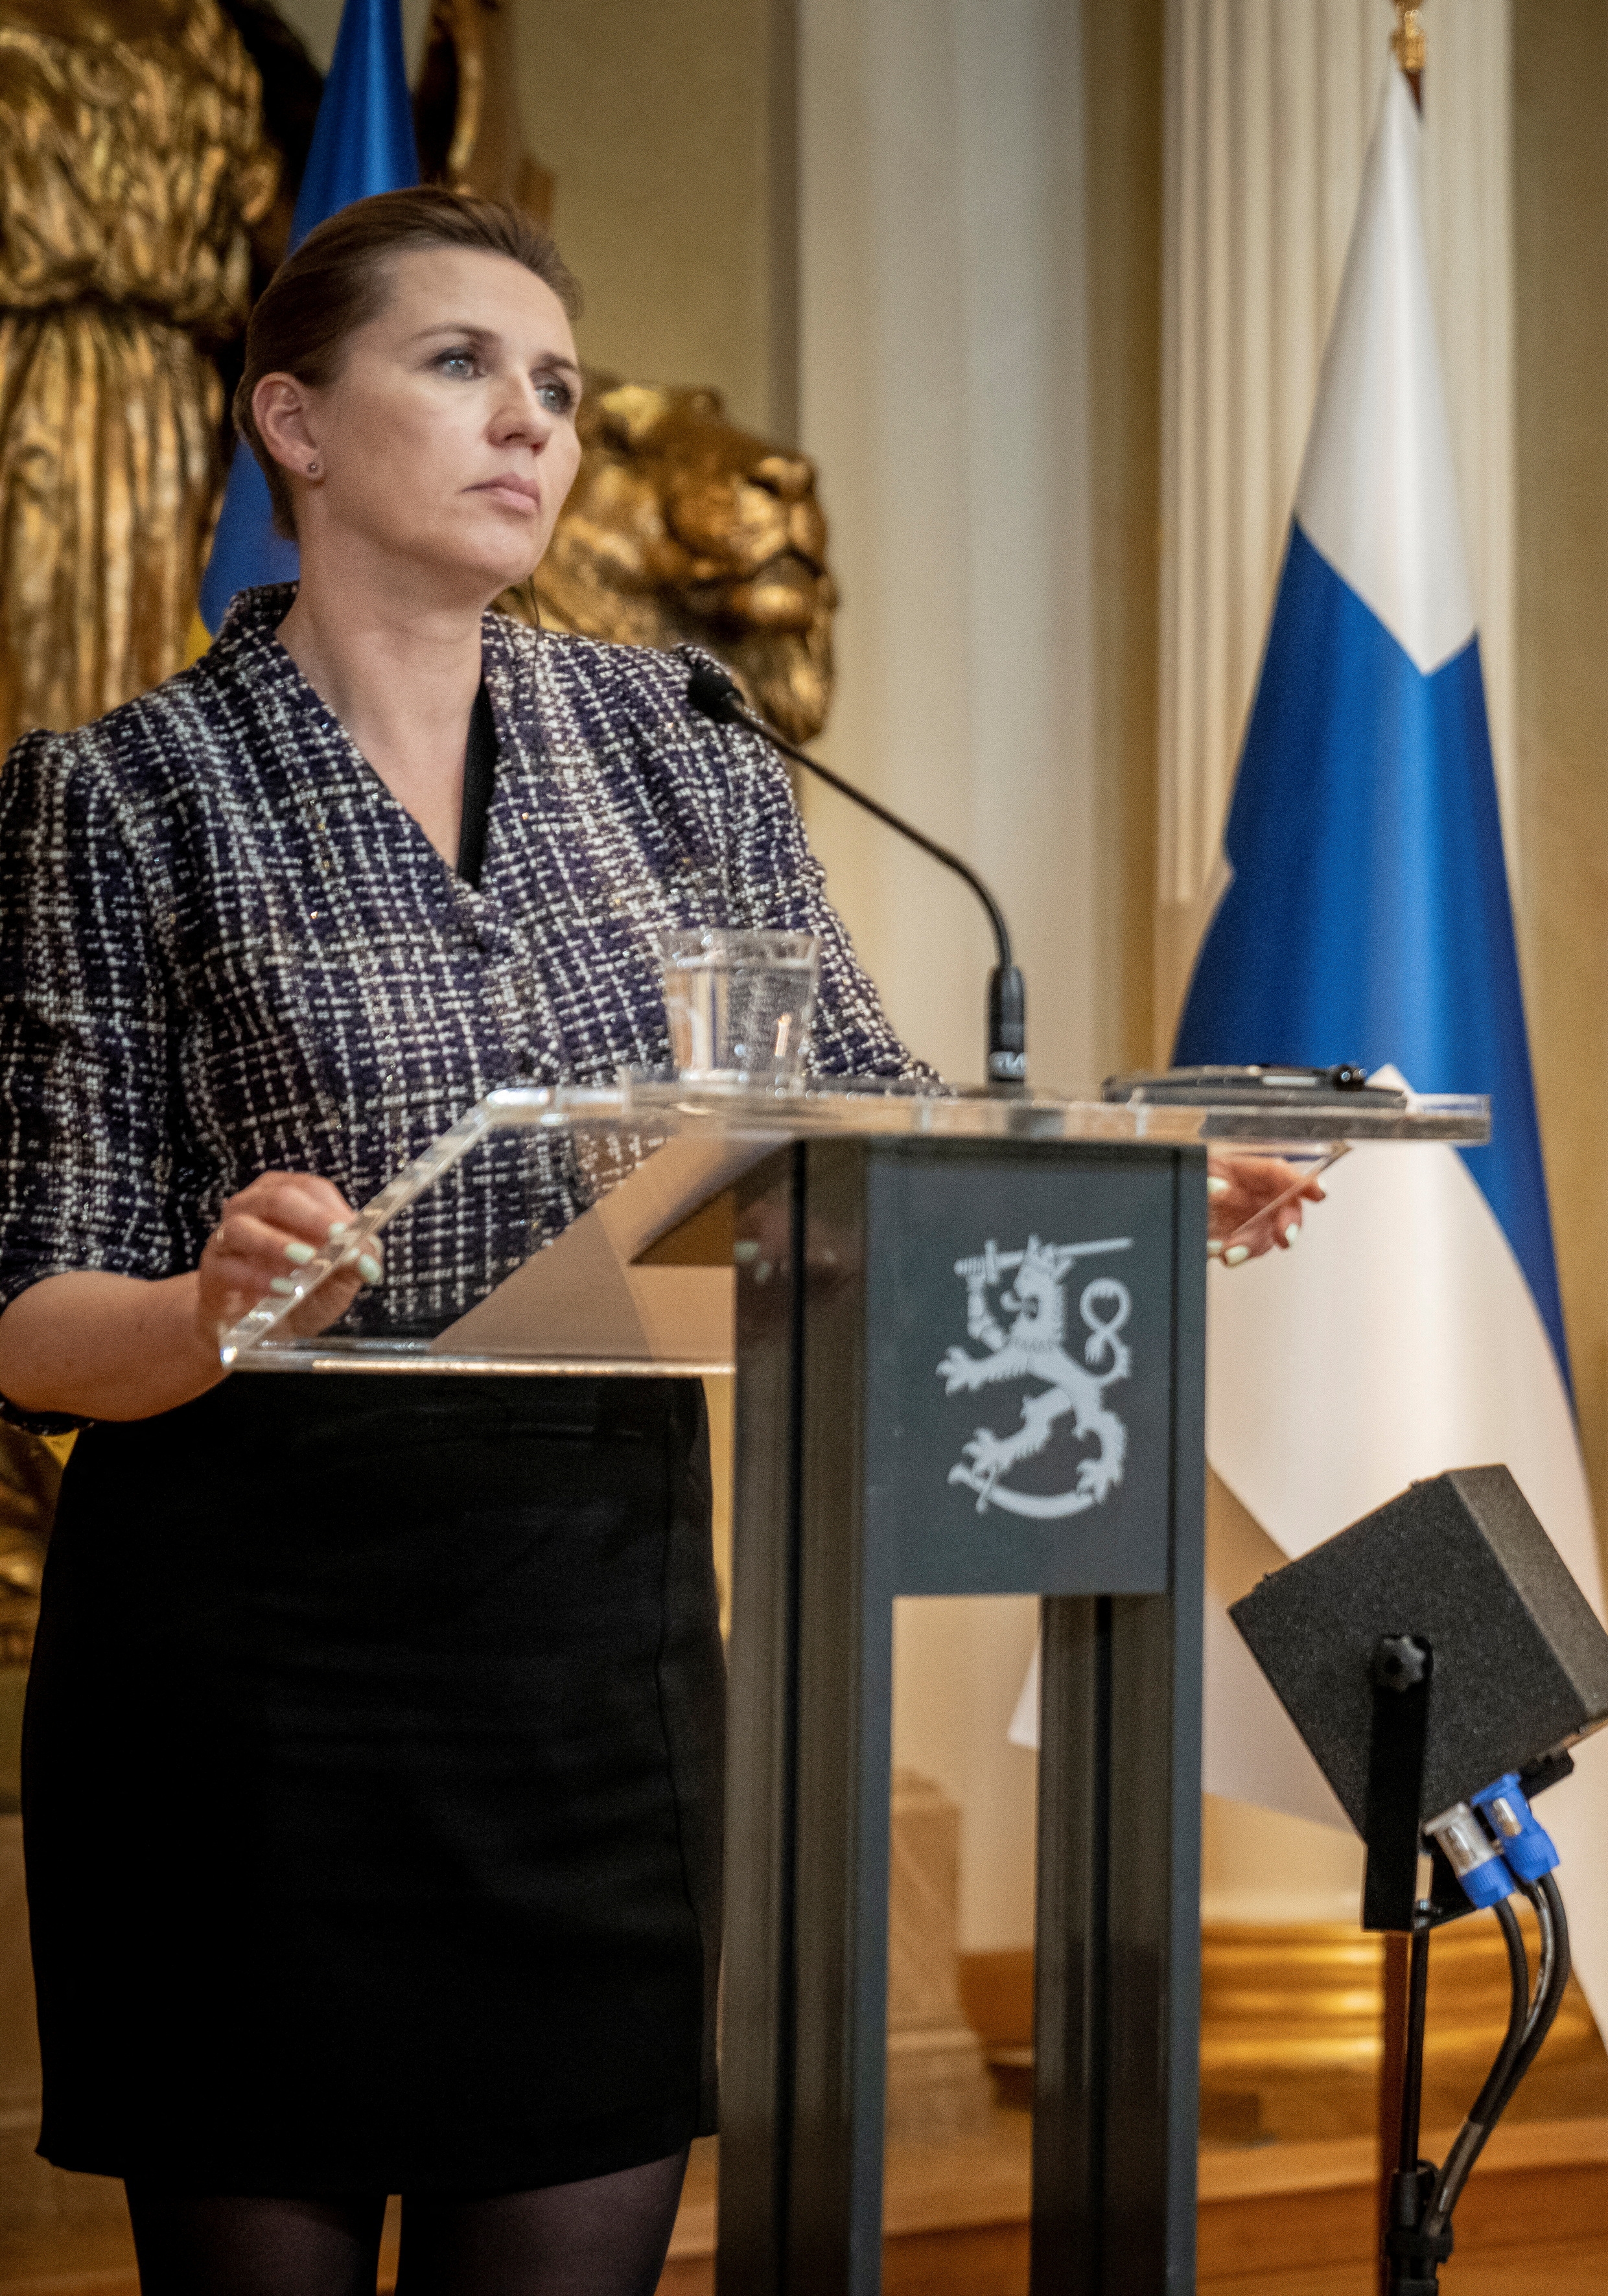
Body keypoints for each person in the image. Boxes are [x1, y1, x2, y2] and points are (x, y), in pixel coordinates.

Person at [0, 185, 1296, 2295]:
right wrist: (206, 1303)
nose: (531, 422)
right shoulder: (123, 792)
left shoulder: (679, 747)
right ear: (294, 427)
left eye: (559, 388)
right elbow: (32, 1313)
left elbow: (863, 1134)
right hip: (250, 1668)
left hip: (591, 1649)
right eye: (460, 366)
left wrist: (1115, 1182)